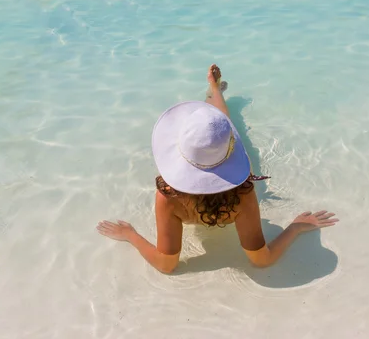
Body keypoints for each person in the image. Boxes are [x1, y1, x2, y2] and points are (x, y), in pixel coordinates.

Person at [97, 65, 339, 274]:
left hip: (191, 196)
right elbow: (262, 260)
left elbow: (166, 265)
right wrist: (294, 228)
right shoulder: (242, 193)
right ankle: (214, 90)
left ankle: (214, 91)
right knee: (220, 125)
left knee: (216, 126)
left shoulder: (169, 196)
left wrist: (130, 235)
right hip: (231, 192)